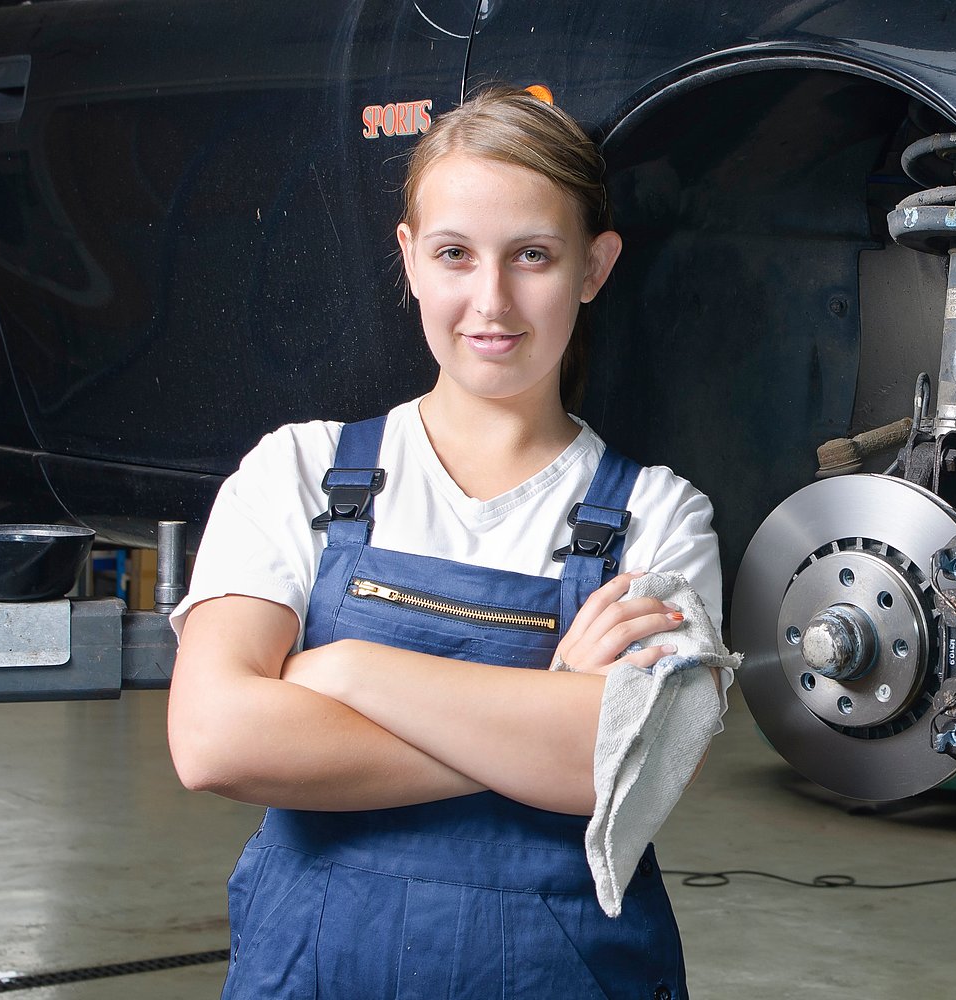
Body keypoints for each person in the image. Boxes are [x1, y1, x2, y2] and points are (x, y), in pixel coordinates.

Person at [166, 86, 725, 999]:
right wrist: (546, 715)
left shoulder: (661, 518)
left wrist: (345, 671)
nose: (490, 300)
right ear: (410, 259)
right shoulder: (298, 471)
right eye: (455, 254)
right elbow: (215, 740)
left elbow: (632, 769)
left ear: (595, 264)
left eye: (534, 256)